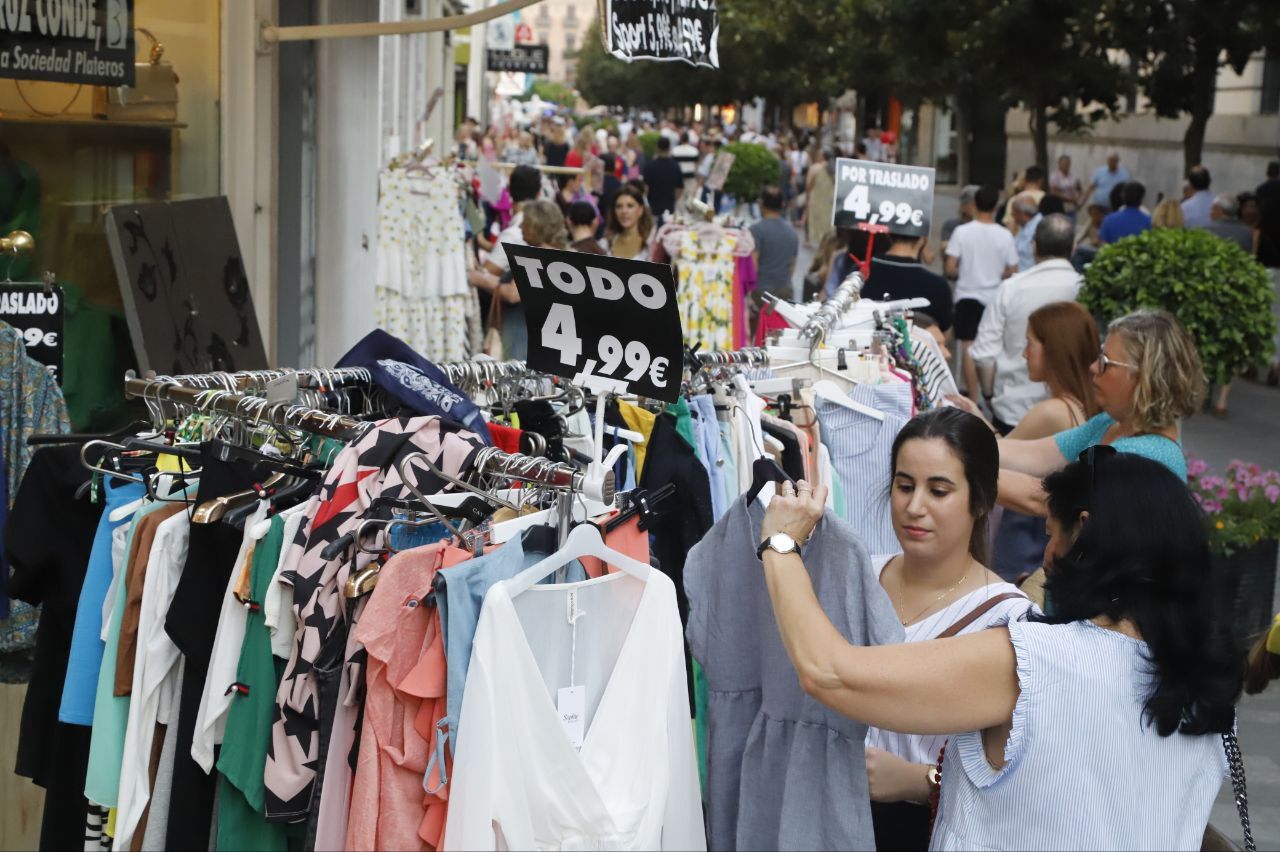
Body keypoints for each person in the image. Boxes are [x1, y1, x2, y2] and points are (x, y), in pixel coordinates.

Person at [756, 449, 1242, 851]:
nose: (1045, 559)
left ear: (1084, 530)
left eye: (1051, 534)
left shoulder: (1032, 662)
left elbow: (828, 672)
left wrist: (781, 544)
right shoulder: (1206, 689)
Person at [850, 409, 1031, 850]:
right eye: (904, 485)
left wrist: (919, 781)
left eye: (939, 490)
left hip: (929, 831)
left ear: (982, 500)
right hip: (835, 819)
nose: (915, 507)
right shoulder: (856, 578)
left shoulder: (1007, 618)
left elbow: (1019, 777)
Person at [992, 310, 1206, 518]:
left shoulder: (1141, 456)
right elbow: (1036, 455)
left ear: (1143, 378)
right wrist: (966, 442)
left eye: (1105, 362)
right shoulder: (1113, 422)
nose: (1093, 367)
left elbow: (1046, 499)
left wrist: (965, 469)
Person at [970, 214, 1083, 435]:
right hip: (1073, 417)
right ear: (1074, 246)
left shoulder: (1011, 288)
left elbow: (984, 353)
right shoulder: (1086, 289)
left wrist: (989, 394)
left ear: (1033, 246)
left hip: (1012, 412)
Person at [944, 186, 1019, 403]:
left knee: (968, 347)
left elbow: (950, 268)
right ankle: (990, 395)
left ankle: (973, 398)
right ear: (996, 207)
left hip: (966, 296)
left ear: (974, 205)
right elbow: (1013, 269)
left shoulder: (961, 232)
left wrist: (964, 271)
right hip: (994, 298)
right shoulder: (1005, 235)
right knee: (991, 346)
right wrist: (997, 273)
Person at [471, 199, 568, 360]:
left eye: (525, 223)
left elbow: (513, 293)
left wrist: (479, 279)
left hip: (522, 342)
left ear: (536, 226)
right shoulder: (559, 255)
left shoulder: (539, 257)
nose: (520, 227)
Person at [864, 233, 954, 333]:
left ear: (889, 234)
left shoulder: (860, 274)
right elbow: (944, 331)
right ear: (923, 240)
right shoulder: (938, 286)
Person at [748, 185, 800, 301]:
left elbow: (753, 266)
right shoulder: (792, 233)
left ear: (761, 204)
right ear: (782, 205)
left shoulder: (756, 230)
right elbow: (792, 267)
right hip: (785, 292)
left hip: (761, 293)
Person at [604, 183, 654, 261]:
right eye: (619, 206)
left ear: (640, 210)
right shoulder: (606, 243)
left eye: (630, 206)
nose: (624, 211)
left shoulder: (650, 245)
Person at [641, 136, 684, 222]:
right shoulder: (675, 166)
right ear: (669, 148)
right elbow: (680, 189)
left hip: (653, 208)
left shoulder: (650, 166)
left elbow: (645, 189)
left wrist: (646, 205)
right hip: (669, 208)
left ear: (657, 148)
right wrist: (673, 199)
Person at [804, 146, 836, 248]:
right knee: (827, 221)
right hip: (830, 200)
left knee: (812, 219)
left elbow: (808, 185)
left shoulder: (815, 168)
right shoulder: (835, 168)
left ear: (822, 156)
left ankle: (810, 240)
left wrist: (807, 197)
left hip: (816, 199)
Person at [1002, 165, 1045, 231]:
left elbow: (1010, 226)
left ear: (1025, 179)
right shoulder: (1045, 198)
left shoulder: (1015, 199)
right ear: (1041, 180)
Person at [1008, 194, 1042, 271]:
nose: (1012, 215)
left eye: (1013, 213)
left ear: (1021, 213)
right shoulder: (1026, 226)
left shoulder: (1040, 228)